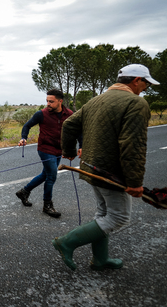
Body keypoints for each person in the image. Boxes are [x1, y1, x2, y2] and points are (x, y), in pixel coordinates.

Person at [53, 64, 158, 271]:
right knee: (118, 217)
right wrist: (135, 182)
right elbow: (133, 144)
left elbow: (69, 124)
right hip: (112, 172)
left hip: (91, 168)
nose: (145, 88)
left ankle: (100, 259)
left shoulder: (96, 100)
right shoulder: (136, 103)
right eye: (145, 83)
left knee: (103, 213)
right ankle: (66, 242)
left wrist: (69, 150)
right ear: (136, 80)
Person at [15, 89, 81, 218]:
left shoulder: (69, 114)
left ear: (60, 101)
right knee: (52, 176)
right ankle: (47, 205)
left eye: (51, 101)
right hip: (45, 149)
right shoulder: (41, 114)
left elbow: (78, 131)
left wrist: (81, 145)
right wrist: (24, 138)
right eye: (47, 101)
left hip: (59, 149)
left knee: (46, 174)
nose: (48, 104)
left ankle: (24, 191)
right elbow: (27, 126)